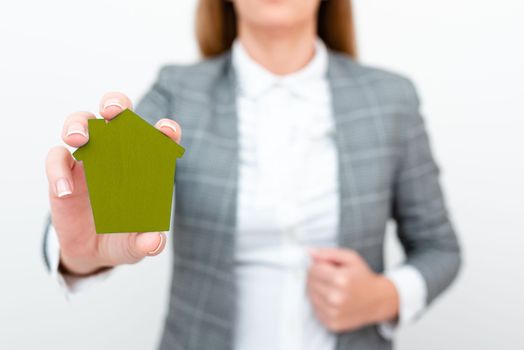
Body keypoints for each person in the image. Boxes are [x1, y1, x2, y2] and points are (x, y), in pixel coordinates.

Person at [43, 0, 462, 349]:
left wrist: (384, 297)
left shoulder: (392, 99)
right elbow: (93, 218)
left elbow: (440, 248)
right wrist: (79, 256)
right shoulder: (176, 92)